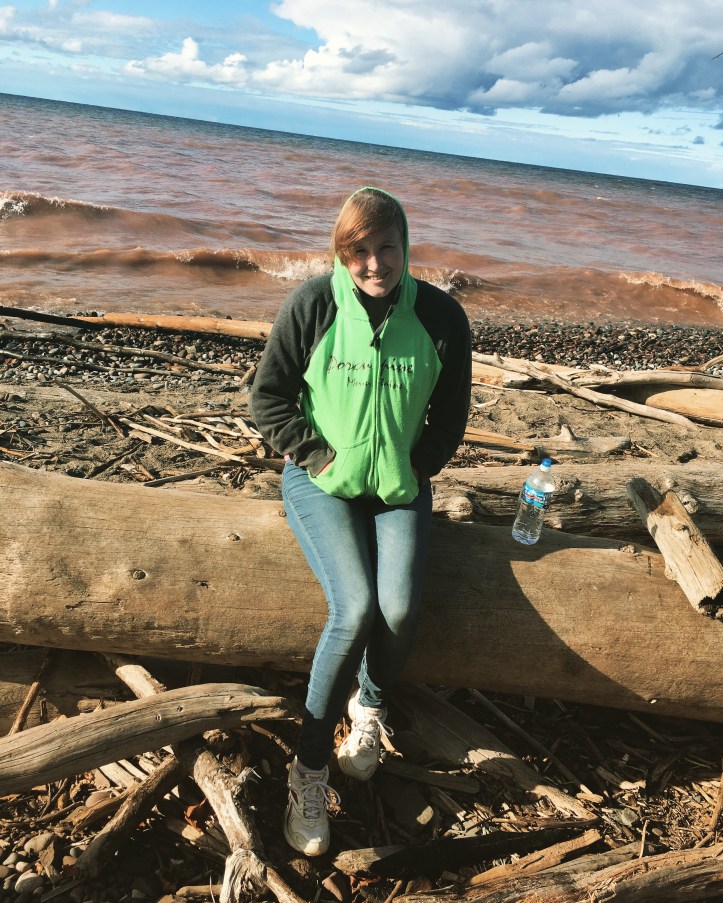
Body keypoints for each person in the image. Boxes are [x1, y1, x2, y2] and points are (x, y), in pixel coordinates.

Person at [251, 186, 472, 856]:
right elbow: (268, 397)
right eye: (359, 252)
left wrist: (416, 468)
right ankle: (309, 770)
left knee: (399, 607)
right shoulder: (313, 304)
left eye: (386, 248)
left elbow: (450, 417)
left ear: (404, 246)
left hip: (398, 487)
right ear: (340, 254)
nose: (374, 264)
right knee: (354, 609)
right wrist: (319, 457)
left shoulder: (439, 316)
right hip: (320, 481)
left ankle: (369, 705)